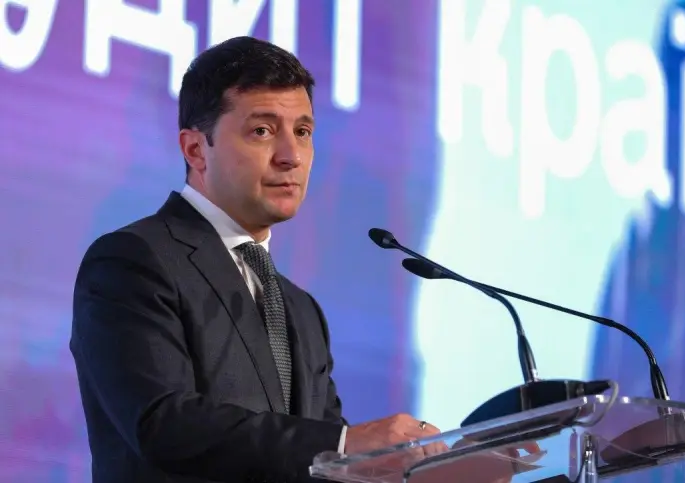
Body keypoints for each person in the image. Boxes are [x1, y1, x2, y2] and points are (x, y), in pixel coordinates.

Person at [70, 36, 441, 483]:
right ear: (195, 149)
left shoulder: (301, 308)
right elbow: (163, 424)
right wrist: (345, 443)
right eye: (262, 131)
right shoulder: (132, 261)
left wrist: (424, 473)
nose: (291, 157)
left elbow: (324, 465)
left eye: (302, 132)